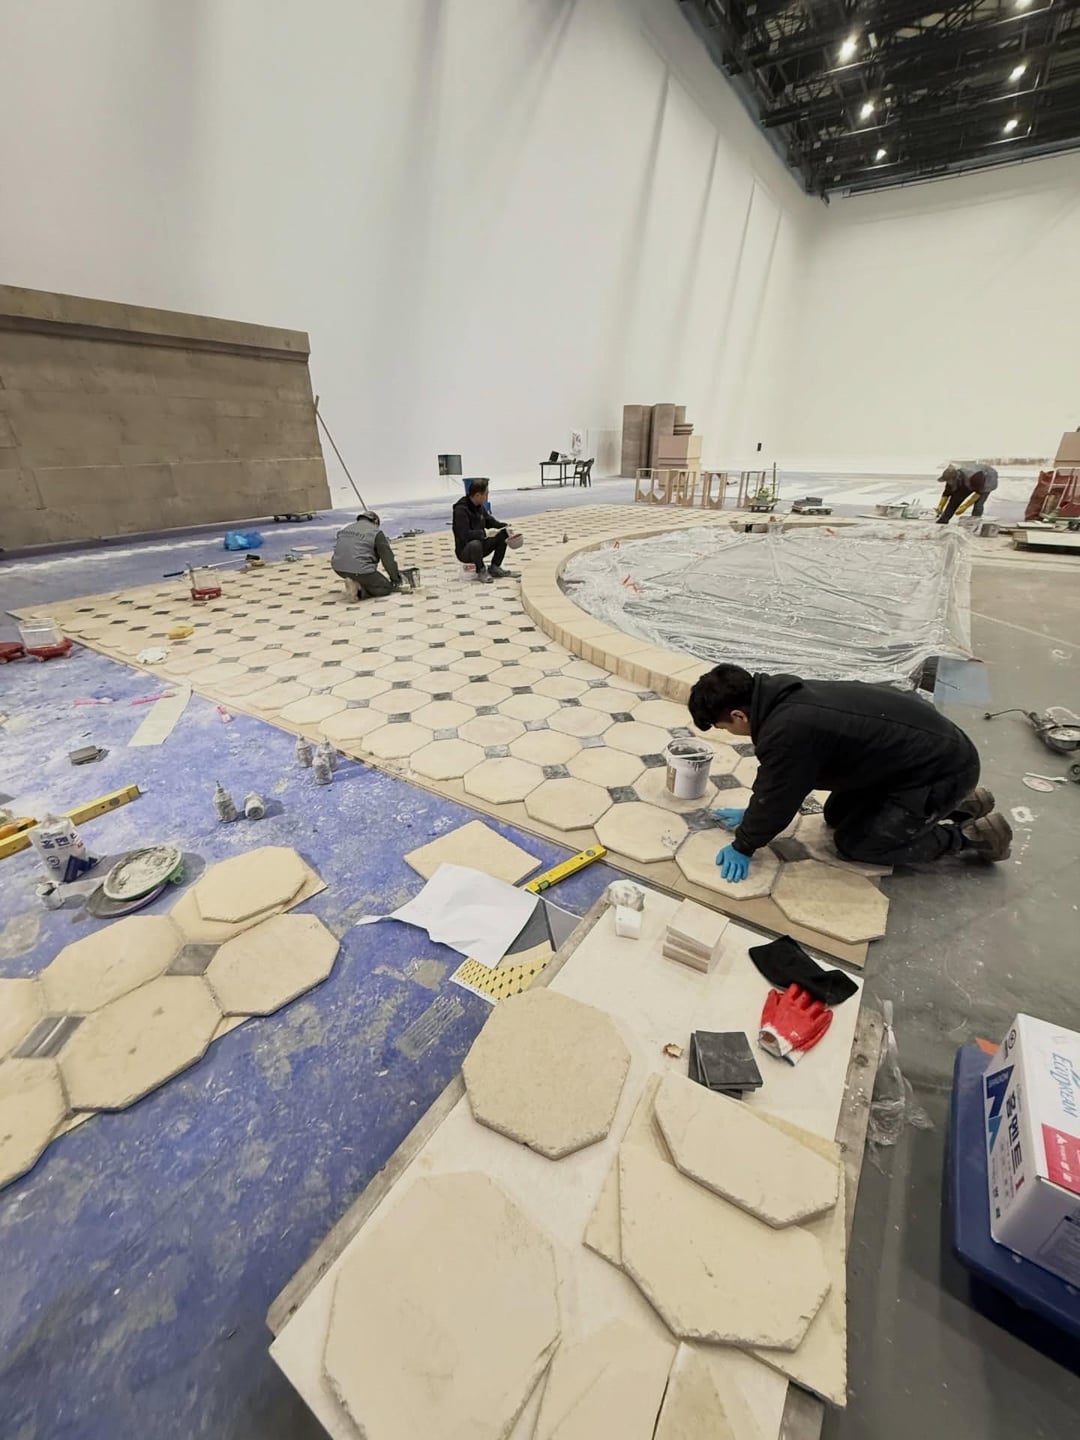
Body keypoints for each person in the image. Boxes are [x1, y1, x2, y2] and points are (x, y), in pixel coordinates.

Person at [687, 664, 1012, 883]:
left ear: (739, 715)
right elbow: (781, 783)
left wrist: (745, 844)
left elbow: (779, 796)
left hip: (941, 771)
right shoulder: (780, 694)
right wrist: (753, 814)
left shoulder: (787, 731)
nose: (729, 733)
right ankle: (962, 803)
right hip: (923, 757)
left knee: (857, 844)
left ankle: (971, 835)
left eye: (723, 727)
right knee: (836, 815)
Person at [452, 480, 520, 584]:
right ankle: (481, 570)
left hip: (481, 545)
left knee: (502, 533)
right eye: (486, 494)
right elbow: (464, 535)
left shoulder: (479, 507)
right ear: (478, 495)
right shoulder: (461, 510)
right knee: (475, 544)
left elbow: (490, 521)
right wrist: (485, 533)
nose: (487, 497)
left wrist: (505, 526)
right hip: (466, 550)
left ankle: (495, 567)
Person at [331, 511, 403, 599]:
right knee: (385, 587)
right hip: (360, 570)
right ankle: (359, 590)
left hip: (339, 569)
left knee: (360, 575)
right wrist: (395, 579)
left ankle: (354, 580)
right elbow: (388, 560)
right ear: (376, 522)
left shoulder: (345, 529)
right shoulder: (376, 532)